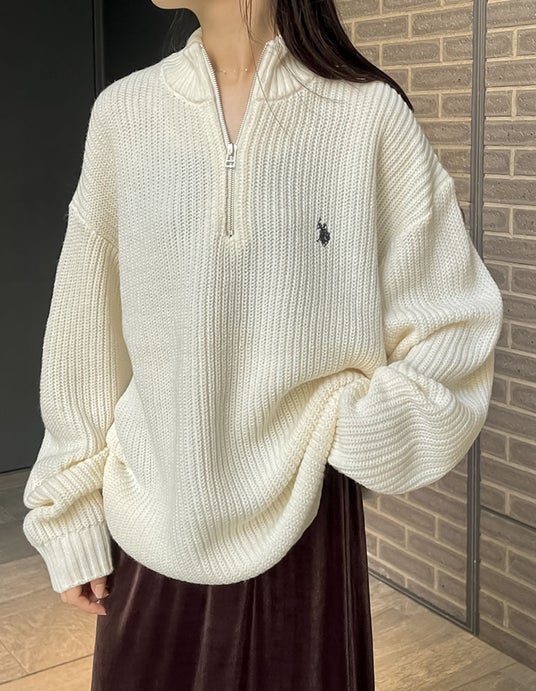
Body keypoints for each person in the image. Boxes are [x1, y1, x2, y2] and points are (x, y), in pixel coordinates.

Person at [22, 0, 504, 688]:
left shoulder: (366, 116)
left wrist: (341, 425)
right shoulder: (123, 116)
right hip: (150, 514)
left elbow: (452, 328)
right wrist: (69, 511)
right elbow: (84, 331)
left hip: (303, 529)